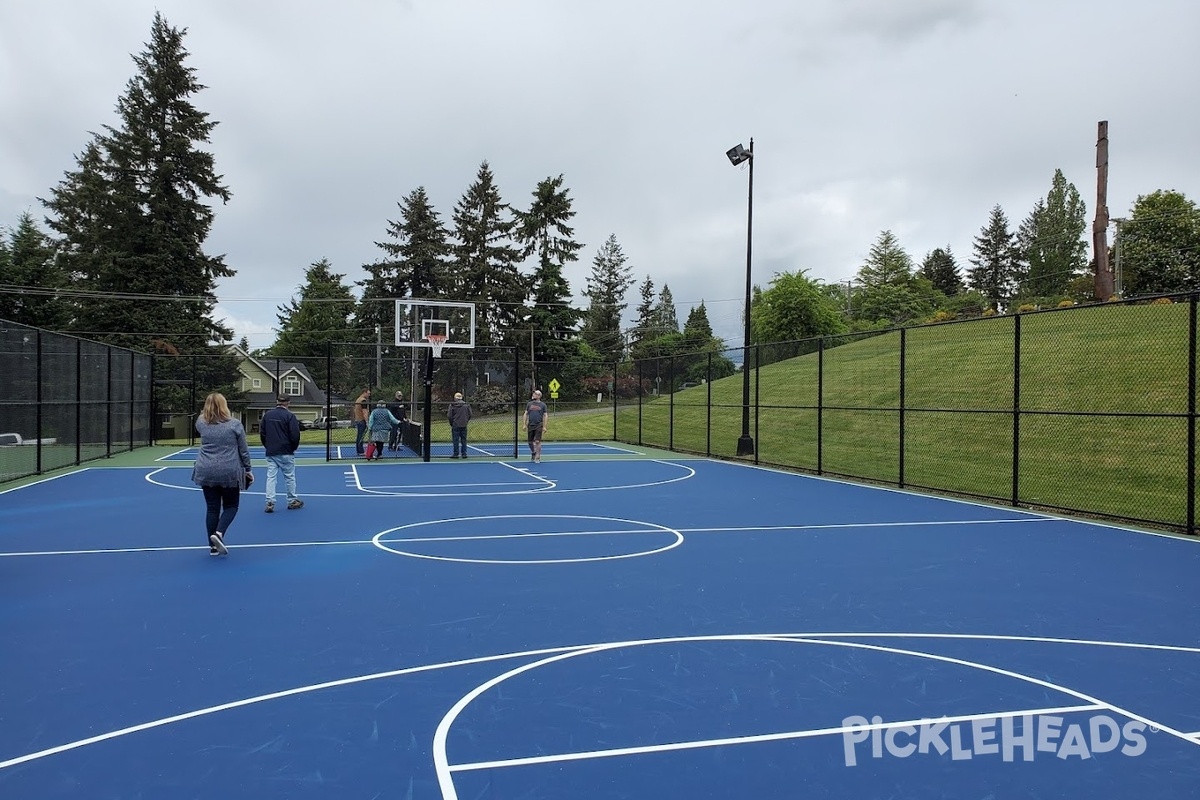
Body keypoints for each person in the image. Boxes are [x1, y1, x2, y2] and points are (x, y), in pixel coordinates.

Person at [191, 392, 253, 556]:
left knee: (212, 509)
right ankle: (218, 533)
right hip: (229, 470)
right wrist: (248, 469)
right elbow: (243, 450)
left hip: (205, 469)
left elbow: (204, 417)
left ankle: (212, 547)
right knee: (231, 506)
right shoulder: (234, 424)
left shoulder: (201, 423)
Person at [260, 393, 303, 512]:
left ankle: (270, 501)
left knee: (271, 477)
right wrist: (293, 448)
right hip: (286, 451)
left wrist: (268, 446)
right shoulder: (290, 416)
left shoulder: (267, 415)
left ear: (277, 402)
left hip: (272, 450)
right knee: (289, 477)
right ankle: (292, 500)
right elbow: (295, 435)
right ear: (288, 403)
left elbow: (263, 434)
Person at [522, 389, 549, 464]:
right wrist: (524, 424)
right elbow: (526, 414)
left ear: (539, 396)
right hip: (530, 424)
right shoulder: (529, 404)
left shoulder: (543, 405)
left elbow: (545, 415)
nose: (533, 395)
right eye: (533, 394)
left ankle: (538, 457)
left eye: (535, 394)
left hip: (539, 424)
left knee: (537, 441)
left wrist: (544, 426)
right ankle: (533, 452)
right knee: (530, 442)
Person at [447, 391, 472, 458]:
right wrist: (466, 421)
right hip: (464, 424)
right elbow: (470, 414)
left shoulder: (452, 405)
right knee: (464, 440)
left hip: (455, 424)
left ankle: (456, 454)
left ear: (455, 398)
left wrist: (452, 423)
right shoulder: (466, 405)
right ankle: (464, 453)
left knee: (455, 440)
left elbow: (449, 416)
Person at [353, 387, 372, 455]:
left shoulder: (358, 399)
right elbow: (365, 412)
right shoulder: (363, 400)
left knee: (359, 436)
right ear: (364, 392)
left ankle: (359, 450)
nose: (369, 395)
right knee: (361, 436)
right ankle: (360, 451)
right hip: (361, 420)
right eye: (368, 393)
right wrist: (367, 422)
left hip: (358, 420)